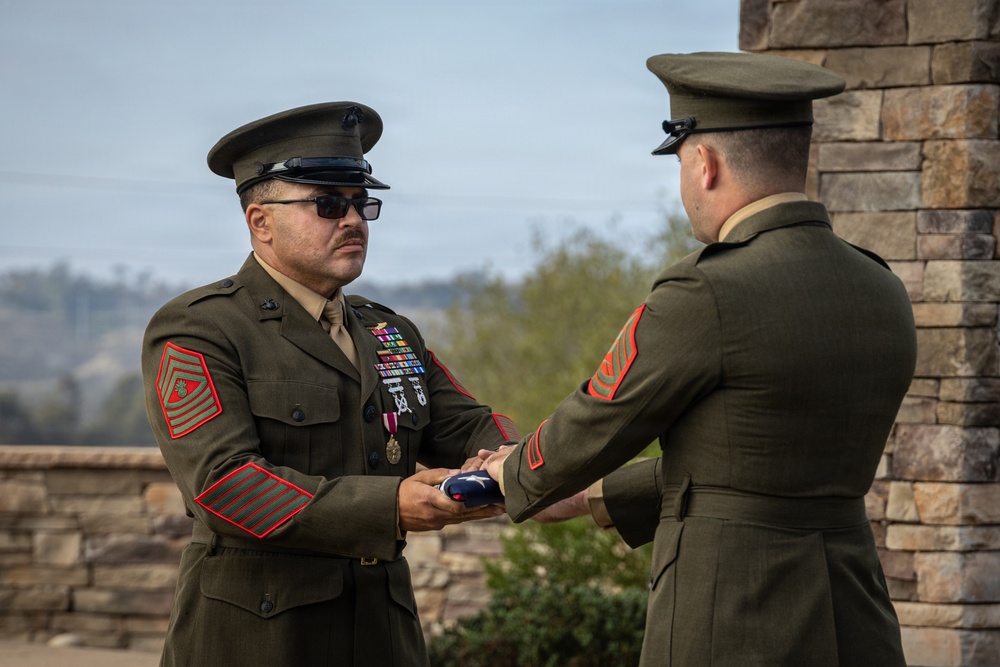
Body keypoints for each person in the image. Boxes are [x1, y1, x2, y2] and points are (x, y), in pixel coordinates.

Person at [484, 52, 915, 666]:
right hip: (856, 614)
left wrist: (513, 471)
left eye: (682, 165)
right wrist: (592, 498)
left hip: (732, 618)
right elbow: (756, 464)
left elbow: (596, 420)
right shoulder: (881, 287)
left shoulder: (708, 290)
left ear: (704, 164)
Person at [141, 101, 520, 666]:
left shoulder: (389, 331)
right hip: (259, 639)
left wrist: (515, 462)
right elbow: (223, 485)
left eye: (361, 203)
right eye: (326, 204)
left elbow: (468, 425)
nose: (352, 220)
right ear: (259, 222)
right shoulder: (200, 327)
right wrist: (390, 506)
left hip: (382, 634)